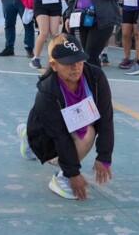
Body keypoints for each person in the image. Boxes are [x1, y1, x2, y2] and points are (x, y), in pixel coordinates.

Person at [18, 36, 114, 200]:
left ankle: (26, 135)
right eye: (68, 63)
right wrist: (73, 173)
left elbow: (106, 118)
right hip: (48, 134)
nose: (75, 67)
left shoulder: (96, 77)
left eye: (79, 61)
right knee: (73, 133)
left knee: (87, 130)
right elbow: (59, 135)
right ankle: (61, 177)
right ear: (54, 65)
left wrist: (104, 156)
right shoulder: (47, 92)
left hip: (70, 124)